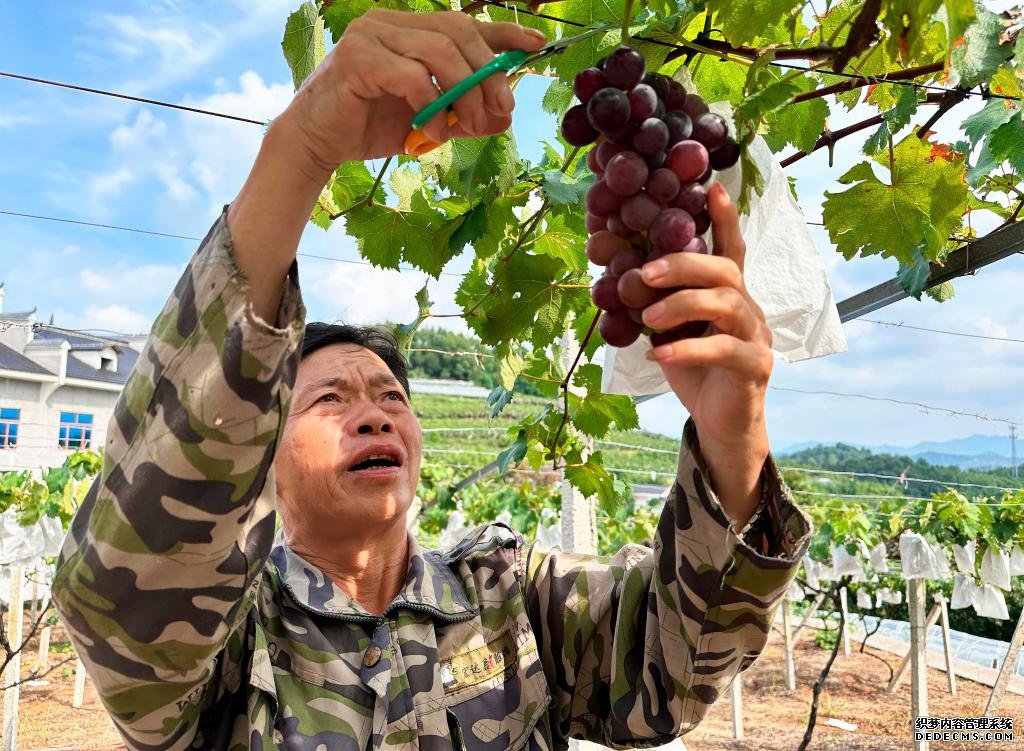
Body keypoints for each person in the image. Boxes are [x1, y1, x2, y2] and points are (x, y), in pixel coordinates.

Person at [51, 9, 810, 751]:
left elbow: (673, 673)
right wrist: (302, 147)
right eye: (330, 399)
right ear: (262, 458)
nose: (376, 415)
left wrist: (731, 437)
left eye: (391, 398)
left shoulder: (512, 597)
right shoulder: (226, 642)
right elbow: (124, 591)